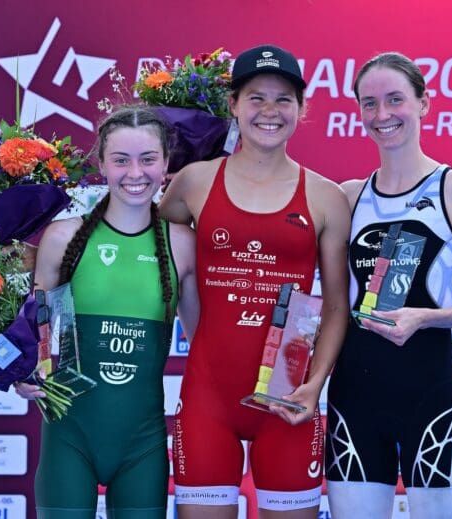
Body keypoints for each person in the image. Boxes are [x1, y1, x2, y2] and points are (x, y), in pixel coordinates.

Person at [159, 44, 350, 518]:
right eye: (256, 98)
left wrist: (315, 384)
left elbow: (335, 307)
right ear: (233, 106)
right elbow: (146, 254)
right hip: (208, 397)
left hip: (289, 398)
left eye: (284, 99)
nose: (270, 111)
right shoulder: (193, 182)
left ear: (302, 109)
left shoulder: (326, 197)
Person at [325, 52, 452, 519]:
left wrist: (427, 317)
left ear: (424, 104)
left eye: (395, 100)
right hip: (354, 400)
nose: (382, 115)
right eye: (369, 104)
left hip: (431, 396)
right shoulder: (348, 196)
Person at [15, 105, 199, 519]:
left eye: (148, 159)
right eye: (121, 160)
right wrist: (26, 371)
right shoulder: (63, 237)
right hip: (69, 436)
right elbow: (35, 329)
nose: (136, 173)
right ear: (101, 163)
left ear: (166, 163)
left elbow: (204, 341)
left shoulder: (183, 244)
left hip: (144, 442)